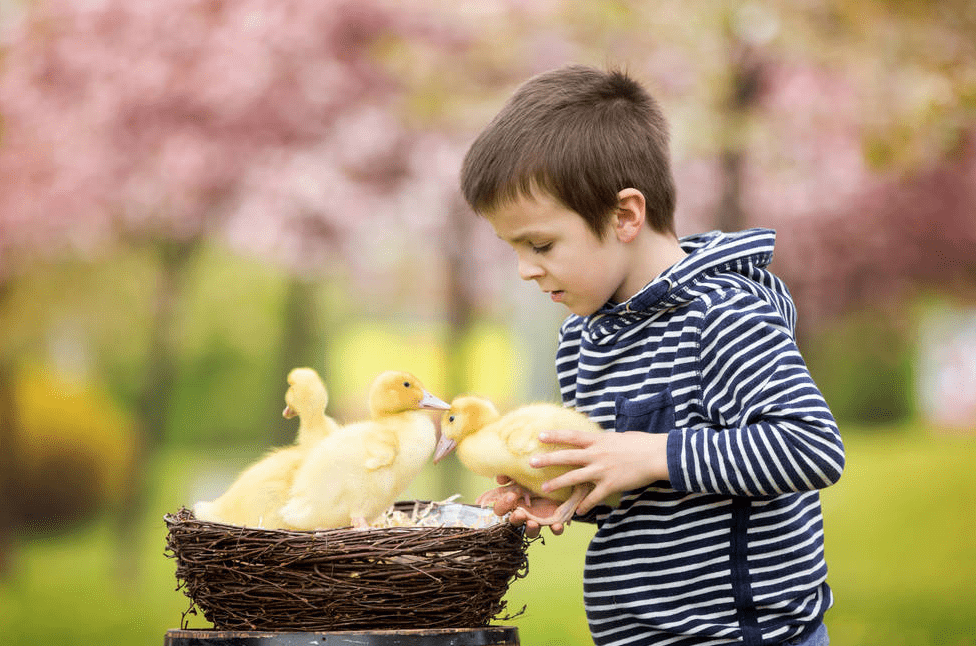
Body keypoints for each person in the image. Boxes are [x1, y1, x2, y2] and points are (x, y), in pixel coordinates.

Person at [458, 64, 845, 646]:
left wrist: (652, 452)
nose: (526, 268)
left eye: (541, 244)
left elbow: (809, 447)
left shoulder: (721, 314)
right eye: (513, 247)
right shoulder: (584, 340)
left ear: (625, 216)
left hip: (744, 636)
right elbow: (632, 486)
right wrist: (565, 491)